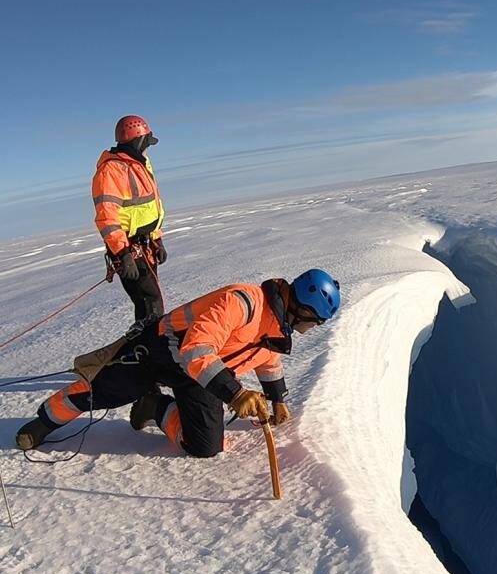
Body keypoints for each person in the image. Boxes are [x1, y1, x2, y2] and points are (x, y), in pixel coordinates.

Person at [16, 269, 341, 457]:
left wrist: (277, 399)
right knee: (101, 392)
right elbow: (195, 348)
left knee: (205, 447)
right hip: (161, 353)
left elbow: (265, 357)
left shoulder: (276, 326)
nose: (309, 329)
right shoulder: (244, 302)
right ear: (302, 308)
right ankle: (46, 421)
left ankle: (154, 406)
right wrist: (236, 394)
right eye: (313, 322)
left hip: (202, 376)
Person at [94, 115, 167, 322]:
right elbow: (106, 218)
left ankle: (150, 344)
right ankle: (148, 347)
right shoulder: (111, 171)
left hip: (145, 245)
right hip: (128, 247)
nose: (149, 148)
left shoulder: (140, 164)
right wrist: (123, 254)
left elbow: (148, 208)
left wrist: (157, 239)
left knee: (151, 301)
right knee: (149, 301)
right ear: (139, 140)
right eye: (147, 143)